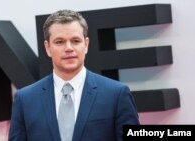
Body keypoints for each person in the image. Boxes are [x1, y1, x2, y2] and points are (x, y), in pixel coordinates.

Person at [8, 9, 140, 141]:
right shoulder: (25, 100)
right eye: (59, 42)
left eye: (75, 41)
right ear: (47, 48)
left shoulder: (117, 94)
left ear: (86, 44)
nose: (69, 48)